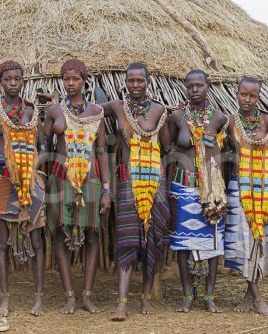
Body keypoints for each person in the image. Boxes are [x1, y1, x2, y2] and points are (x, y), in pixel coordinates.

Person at [99, 62, 171, 321]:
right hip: (128, 181)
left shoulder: (159, 110)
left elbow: (166, 148)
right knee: (127, 238)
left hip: (154, 182)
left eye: (140, 80)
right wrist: (57, 100)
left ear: (148, 82)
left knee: (151, 237)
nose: (135, 85)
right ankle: (122, 303)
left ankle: (145, 298)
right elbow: (88, 111)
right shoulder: (118, 107)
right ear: (125, 82)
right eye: (131, 80)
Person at [0, 60, 46, 317]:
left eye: (17, 79)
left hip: (31, 181)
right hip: (4, 182)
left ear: (23, 81)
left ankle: (38, 299)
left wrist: (28, 164)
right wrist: (5, 158)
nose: (13, 83)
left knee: (37, 239)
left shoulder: (31, 111)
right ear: (1, 82)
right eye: (8, 79)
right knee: (2, 243)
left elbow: (41, 144)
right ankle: (5, 300)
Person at [224, 76, 268, 315]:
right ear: (237, 94)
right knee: (246, 239)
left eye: (252, 96)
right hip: (240, 190)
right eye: (243, 94)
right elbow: (215, 141)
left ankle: (250, 296)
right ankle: (256, 298)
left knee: (260, 239)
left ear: (259, 97)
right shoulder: (231, 122)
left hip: (265, 191)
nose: (247, 100)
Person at [43, 59, 110, 314]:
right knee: (61, 234)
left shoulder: (97, 112)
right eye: (66, 79)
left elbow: (102, 151)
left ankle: (87, 296)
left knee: (92, 235)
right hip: (61, 180)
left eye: (75, 79)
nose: (71, 83)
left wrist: (106, 189)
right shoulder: (54, 112)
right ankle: (69, 295)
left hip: (91, 180)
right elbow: (43, 145)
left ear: (84, 80)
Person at [167, 69, 228, 313]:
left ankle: (209, 296)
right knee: (183, 244)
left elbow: (227, 150)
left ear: (208, 86)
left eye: (199, 86)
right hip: (183, 186)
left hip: (211, 189)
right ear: (185, 87)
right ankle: (187, 296)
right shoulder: (177, 117)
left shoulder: (220, 119)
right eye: (190, 86)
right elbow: (170, 148)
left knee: (212, 242)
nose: (194, 90)